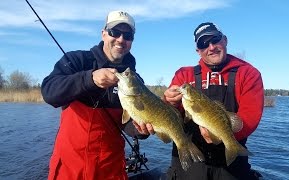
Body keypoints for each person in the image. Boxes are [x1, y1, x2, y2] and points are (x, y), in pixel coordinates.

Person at [41, 10, 151, 180]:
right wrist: (89, 79)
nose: (121, 39)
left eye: (128, 35)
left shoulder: (134, 80)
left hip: (112, 170)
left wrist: (141, 129)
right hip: (70, 170)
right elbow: (49, 92)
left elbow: (128, 123)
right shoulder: (77, 60)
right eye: (115, 32)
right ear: (104, 34)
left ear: (132, 41)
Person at [164, 22, 264, 180]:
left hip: (230, 165)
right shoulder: (184, 74)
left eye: (215, 39)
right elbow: (170, 114)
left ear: (225, 40)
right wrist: (170, 101)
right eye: (203, 44)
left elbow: (250, 117)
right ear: (198, 51)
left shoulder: (248, 73)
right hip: (190, 160)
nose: (211, 47)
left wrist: (221, 134)